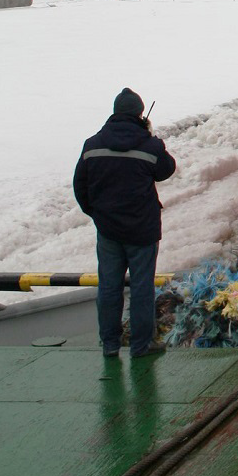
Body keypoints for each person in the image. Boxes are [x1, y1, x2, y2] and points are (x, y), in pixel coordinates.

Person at [73, 88, 176, 357]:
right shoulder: (149, 145)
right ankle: (141, 346)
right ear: (140, 113)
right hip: (142, 231)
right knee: (142, 288)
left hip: (108, 231)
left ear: (116, 111)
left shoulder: (92, 144)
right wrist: (151, 137)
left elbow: (80, 186)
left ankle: (109, 344)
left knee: (109, 286)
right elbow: (166, 170)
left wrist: (97, 214)